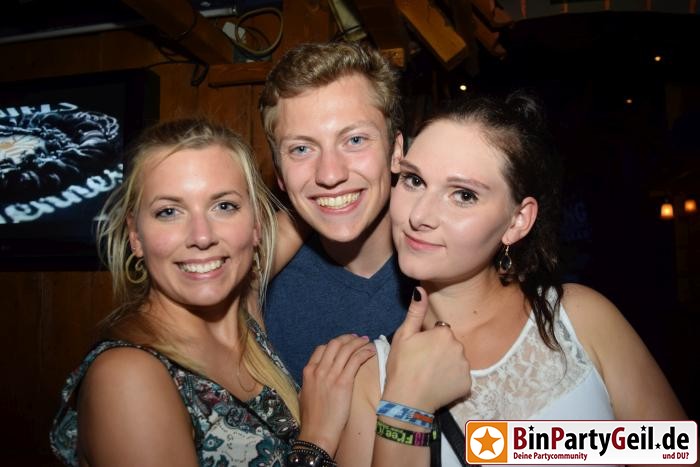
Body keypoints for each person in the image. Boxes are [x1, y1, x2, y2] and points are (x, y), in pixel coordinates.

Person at [333, 92, 690, 467]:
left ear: (517, 221)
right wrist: (406, 407)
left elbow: (671, 453)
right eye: (414, 180)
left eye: (463, 195)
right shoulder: (371, 378)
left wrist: (517, 445)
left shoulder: (580, 319)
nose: (419, 215)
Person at [48, 118, 377, 467]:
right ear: (135, 235)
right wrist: (317, 439)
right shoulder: (127, 377)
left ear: (256, 225)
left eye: (224, 206)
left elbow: (305, 209)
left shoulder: (242, 314)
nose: (202, 236)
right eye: (169, 212)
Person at [258, 41, 416, 384]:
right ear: (280, 174)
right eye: (302, 148)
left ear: (396, 152)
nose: (330, 174)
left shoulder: (455, 268)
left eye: (355, 140)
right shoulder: (257, 295)